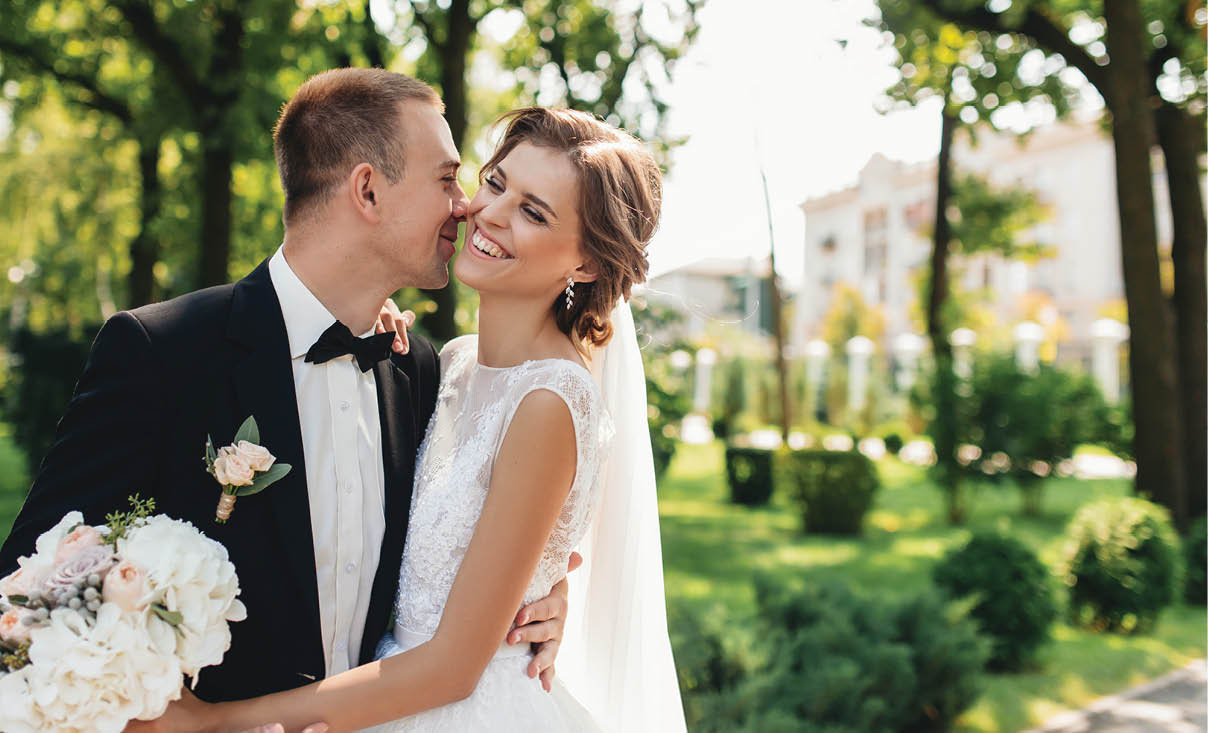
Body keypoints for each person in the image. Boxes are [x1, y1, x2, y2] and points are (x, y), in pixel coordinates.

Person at [0, 69, 573, 711]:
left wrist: (542, 598)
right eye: (446, 178)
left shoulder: (418, 374)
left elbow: (463, 546)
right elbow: (29, 587)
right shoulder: (164, 353)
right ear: (368, 190)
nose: (467, 204)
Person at [147, 107, 686, 731]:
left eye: (534, 212)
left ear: (587, 264)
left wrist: (213, 724)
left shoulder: (549, 401)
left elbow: (455, 665)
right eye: (496, 182)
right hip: (386, 695)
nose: (489, 213)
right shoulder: (441, 365)